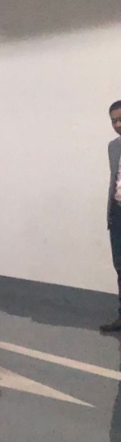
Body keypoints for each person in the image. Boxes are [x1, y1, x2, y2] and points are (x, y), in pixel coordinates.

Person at [102, 101, 121, 332]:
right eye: (113, 120)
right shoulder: (113, 147)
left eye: (120, 119)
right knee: (120, 266)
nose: (117, 124)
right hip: (117, 213)